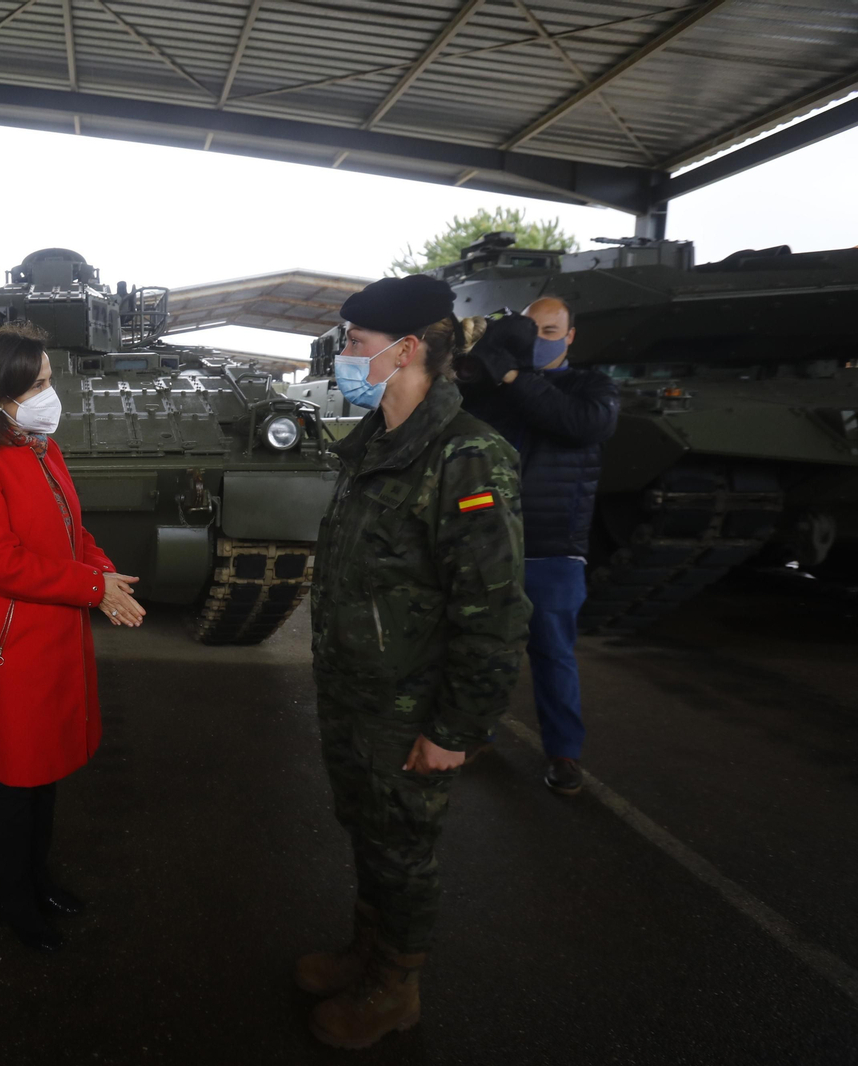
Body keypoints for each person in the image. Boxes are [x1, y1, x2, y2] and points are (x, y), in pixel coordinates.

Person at [299, 274, 530, 1049]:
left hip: (412, 707)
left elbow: (493, 612)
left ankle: (396, 988)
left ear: (404, 351)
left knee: (403, 849)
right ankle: (367, 952)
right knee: (366, 831)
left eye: (355, 344)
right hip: (357, 696)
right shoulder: (371, 449)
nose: (344, 356)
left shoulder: (467, 458)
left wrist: (457, 728)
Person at [0, 323, 146, 954]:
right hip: (15, 644)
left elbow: (71, 531)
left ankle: (39, 876)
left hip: (56, 632)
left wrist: (104, 571)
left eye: (50, 380)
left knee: (47, 768)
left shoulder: (40, 448)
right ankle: (12, 898)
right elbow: (0, 561)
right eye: (36, 385)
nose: (50, 394)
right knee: (15, 777)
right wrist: (93, 589)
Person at [460, 297, 619, 796]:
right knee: (480, 650)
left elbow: (579, 424)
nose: (543, 338)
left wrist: (512, 377)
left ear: (570, 336)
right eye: (533, 330)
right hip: (490, 544)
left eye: (553, 330)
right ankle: (473, 735)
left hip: (553, 548)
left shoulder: (592, 388)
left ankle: (564, 754)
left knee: (553, 655)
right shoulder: (489, 391)